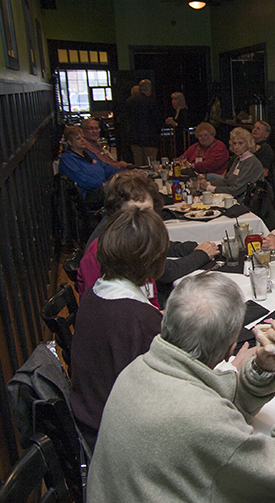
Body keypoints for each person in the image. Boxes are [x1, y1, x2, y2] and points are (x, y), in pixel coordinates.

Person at [86, 272, 275, 502]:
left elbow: (221, 406)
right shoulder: (199, 415)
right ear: (230, 349)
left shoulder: (139, 368)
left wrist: (261, 367)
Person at [69, 207, 168, 450]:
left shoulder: (96, 294)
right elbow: (164, 398)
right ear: (154, 260)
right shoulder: (139, 321)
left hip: (91, 417)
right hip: (118, 440)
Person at [77, 172, 218, 307]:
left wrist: (190, 248)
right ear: (116, 210)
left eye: (148, 211)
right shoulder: (100, 250)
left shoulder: (131, 232)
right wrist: (200, 255)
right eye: (135, 211)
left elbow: (159, 248)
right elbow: (102, 311)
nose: (144, 219)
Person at [58, 125, 121, 206]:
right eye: (78, 139)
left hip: (101, 189)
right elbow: (82, 179)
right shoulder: (67, 159)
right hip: (86, 195)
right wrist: (103, 185)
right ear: (70, 142)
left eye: (83, 138)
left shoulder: (89, 155)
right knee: (122, 192)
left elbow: (106, 168)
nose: (83, 140)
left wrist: (127, 172)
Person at [205, 127, 264, 203]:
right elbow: (227, 180)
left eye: (240, 143)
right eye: (234, 143)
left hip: (245, 201)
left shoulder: (251, 162)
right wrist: (209, 183)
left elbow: (236, 190)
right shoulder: (238, 158)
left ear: (248, 144)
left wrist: (210, 188)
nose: (236, 147)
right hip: (235, 197)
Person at [251, 120, 275, 221]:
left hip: (265, 187)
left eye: (258, 128)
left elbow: (264, 172)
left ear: (266, 134)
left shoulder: (265, 149)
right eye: (254, 127)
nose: (255, 130)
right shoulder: (251, 148)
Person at [125, 79, 162, 166]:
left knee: (138, 164)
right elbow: (157, 120)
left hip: (134, 138)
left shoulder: (129, 101)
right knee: (151, 164)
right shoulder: (151, 102)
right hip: (150, 138)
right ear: (148, 88)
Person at [165, 92, 189, 156]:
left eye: (175, 99)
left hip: (182, 139)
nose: (173, 102)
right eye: (172, 99)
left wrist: (174, 123)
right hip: (176, 138)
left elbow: (184, 125)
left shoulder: (183, 111)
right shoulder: (175, 111)